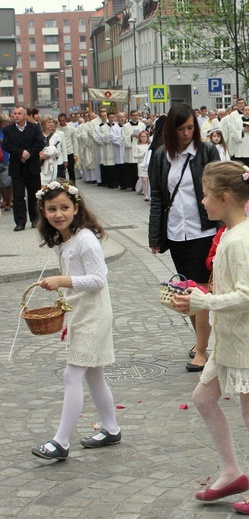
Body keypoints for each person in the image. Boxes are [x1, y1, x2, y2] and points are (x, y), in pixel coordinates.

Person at [170, 161, 249, 515]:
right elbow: (230, 287)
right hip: (232, 340)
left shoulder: (239, 240)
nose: (202, 202)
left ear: (223, 198)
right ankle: (232, 471)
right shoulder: (236, 231)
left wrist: (203, 300)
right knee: (204, 397)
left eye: (205, 196)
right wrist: (198, 294)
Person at [31, 181, 121, 461]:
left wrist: (62, 280)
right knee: (94, 375)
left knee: (73, 375)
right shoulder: (64, 240)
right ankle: (111, 428)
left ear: (76, 208)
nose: (58, 214)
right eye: (52, 209)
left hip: (94, 314)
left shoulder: (85, 239)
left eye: (64, 208)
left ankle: (61, 441)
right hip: (80, 312)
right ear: (44, 212)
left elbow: (98, 279)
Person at [148, 103, 220, 373]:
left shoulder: (207, 151)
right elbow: (157, 197)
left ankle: (201, 351)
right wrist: (155, 234)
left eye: (191, 127)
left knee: (201, 290)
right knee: (189, 290)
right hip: (176, 231)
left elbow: (219, 189)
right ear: (171, 130)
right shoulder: (160, 155)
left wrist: (225, 227)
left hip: (204, 229)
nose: (187, 133)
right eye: (181, 129)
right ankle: (201, 340)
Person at [2, 106, 45, 231]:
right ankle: (20, 222)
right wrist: (20, 153)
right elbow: (7, 145)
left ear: (25, 115)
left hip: (32, 166)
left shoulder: (35, 127)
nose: (16, 116)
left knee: (34, 195)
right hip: (17, 167)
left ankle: (35, 219)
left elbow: (40, 143)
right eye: (14, 113)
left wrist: (28, 153)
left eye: (19, 113)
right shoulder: (8, 130)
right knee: (19, 195)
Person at [122, 110, 146, 191]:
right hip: (130, 148)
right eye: (133, 115)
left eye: (136, 115)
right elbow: (123, 138)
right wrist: (130, 136)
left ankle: (139, 186)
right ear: (130, 116)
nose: (135, 117)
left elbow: (146, 135)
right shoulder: (126, 126)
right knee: (130, 167)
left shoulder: (142, 125)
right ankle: (131, 185)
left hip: (139, 146)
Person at [39, 116, 62, 185]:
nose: (51, 124)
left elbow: (58, 151)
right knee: (41, 183)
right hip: (41, 164)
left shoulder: (56, 136)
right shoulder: (39, 136)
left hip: (52, 163)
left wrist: (50, 152)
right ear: (44, 124)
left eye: (52, 122)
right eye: (49, 122)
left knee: (51, 184)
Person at [56, 114, 77, 185]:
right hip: (61, 153)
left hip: (70, 152)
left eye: (63, 120)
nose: (61, 122)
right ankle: (63, 186)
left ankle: (73, 186)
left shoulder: (71, 129)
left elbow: (74, 142)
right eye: (60, 121)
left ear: (66, 120)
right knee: (62, 171)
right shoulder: (57, 130)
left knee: (71, 170)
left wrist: (75, 154)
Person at [134, 130, 151, 201]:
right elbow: (135, 155)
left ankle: (149, 194)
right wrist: (142, 154)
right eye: (142, 137)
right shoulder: (137, 146)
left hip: (148, 164)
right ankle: (146, 195)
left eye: (145, 137)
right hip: (141, 164)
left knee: (149, 180)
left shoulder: (149, 145)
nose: (143, 138)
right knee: (144, 180)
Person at [0, 114, 12, 211]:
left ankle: (9, 200)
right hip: (2, 159)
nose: (6, 125)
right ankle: (6, 200)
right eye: (4, 123)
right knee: (3, 183)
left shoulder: (11, 131)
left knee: (11, 181)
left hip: (11, 158)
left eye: (7, 123)